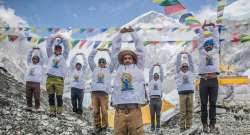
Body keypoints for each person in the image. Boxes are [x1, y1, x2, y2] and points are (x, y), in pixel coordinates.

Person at [111, 27, 147, 135]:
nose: (127, 59)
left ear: (134, 59)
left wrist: (133, 33)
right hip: (120, 110)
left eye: (130, 58)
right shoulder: (119, 67)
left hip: (134, 109)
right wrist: (119, 35)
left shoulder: (138, 67)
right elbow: (114, 51)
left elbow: (140, 49)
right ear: (122, 60)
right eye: (125, 58)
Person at [197, 21, 220, 133]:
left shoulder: (216, 51)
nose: (208, 46)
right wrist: (202, 29)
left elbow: (216, 40)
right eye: (207, 44)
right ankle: (204, 124)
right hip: (204, 80)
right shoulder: (201, 52)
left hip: (214, 80)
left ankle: (212, 124)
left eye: (210, 44)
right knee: (203, 104)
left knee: (213, 104)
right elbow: (200, 41)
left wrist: (214, 28)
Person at [88, 48, 113, 133]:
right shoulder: (94, 68)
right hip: (94, 92)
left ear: (106, 63)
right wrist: (96, 50)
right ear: (98, 63)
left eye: (103, 62)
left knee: (104, 111)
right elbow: (90, 59)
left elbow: (114, 60)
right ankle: (97, 127)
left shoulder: (109, 70)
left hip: (104, 93)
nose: (102, 63)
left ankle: (104, 127)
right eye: (100, 62)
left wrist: (108, 51)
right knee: (95, 111)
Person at [46, 35, 69, 117]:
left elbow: (67, 48)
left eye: (59, 49)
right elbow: (48, 47)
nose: (58, 50)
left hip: (59, 79)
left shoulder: (63, 57)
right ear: (54, 49)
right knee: (51, 96)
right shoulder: (50, 56)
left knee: (59, 97)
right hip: (50, 78)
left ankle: (59, 112)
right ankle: (52, 111)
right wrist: (53, 38)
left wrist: (63, 38)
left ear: (61, 50)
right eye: (56, 49)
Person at [175, 51, 194, 132]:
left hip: (190, 92)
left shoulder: (191, 72)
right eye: (183, 66)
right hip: (182, 93)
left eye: (186, 66)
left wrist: (188, 54)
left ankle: (189, 126)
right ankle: (182, 127)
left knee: (190, 110)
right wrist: (180, 54)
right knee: (183, 111)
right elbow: (177, 63)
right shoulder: (178, 73)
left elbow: (191, 63)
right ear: (181, 67)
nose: (185, 67)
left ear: (188, 67)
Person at [25, 47, 44, 112]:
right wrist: (32, 50)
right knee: (28, 95)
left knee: (37, 96)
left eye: (36, 59)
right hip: (28, 82)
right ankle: (29, 106)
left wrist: (40, 50)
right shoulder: (29, 64)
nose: (34, 60)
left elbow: (42, 58)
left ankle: (37, 107)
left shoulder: (40, 65)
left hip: (36, 83)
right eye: (33, 58)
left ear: (38, 60)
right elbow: (28, 57)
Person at [148, 63, 164, 133]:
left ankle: (158, 127)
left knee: (158, 114)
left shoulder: (160, 81)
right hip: (152, 99)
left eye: (157, 75)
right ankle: (152, 127)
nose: (156, 76)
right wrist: (153, 66)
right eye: (155, 75)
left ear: (159, 76)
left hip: (158, 99)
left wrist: (160, 66)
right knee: (152, 114)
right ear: (153, 76)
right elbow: (150, 72)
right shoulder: (151, 81)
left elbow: (162, 73)